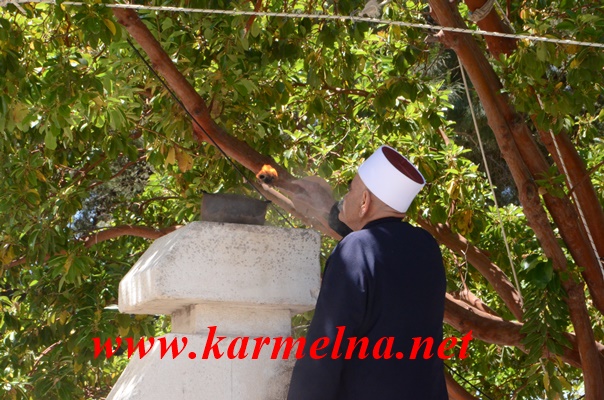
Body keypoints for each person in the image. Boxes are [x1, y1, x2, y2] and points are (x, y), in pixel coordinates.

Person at [287, 145, 448, 400]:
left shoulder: (355, 249)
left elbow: (325, 350)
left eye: (351, 189)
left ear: (364, 201)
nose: (345, 196)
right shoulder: (426, 246)